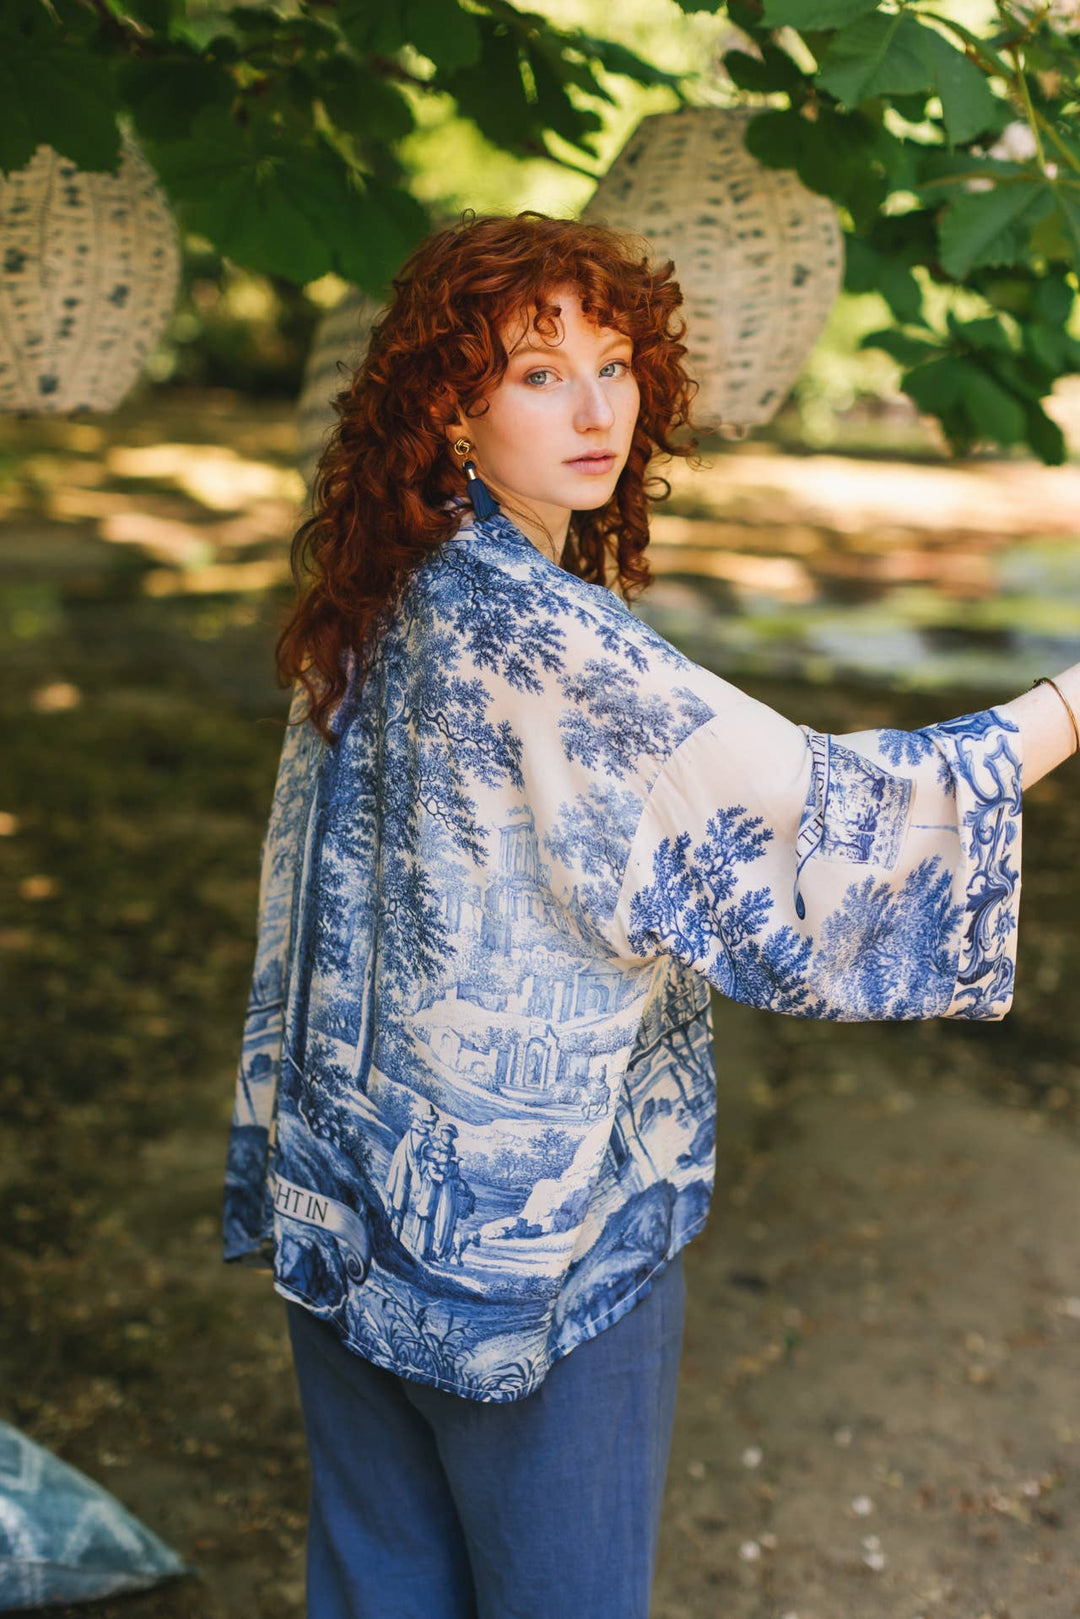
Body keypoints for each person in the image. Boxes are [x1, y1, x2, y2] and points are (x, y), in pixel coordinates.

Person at [221, 209, 1079, 1619]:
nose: (596, 408)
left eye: (614, 364)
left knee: (381, 1591)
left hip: (355, 1212)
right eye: (538, 372)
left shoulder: (387, 577)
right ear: (449, 403)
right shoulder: (547, 639)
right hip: (532, 1260)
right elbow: (826, 818)